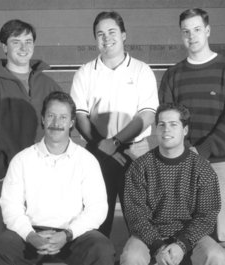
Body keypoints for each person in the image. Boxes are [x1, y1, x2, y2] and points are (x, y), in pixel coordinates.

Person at [0, 91, 115, 265]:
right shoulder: (22, 159)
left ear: (71, 123)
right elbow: (10, 206)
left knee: (102, 250)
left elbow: (97, 208)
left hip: (73, 235)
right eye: (51, 116)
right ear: (43, 119)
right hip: (30, 235)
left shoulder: (86, 161)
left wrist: (67, 234)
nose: (56, 123)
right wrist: (30, 235)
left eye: (63, 117)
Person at [0, 19, 61, 243]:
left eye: (28, 41)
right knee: (1, 242)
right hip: (6, 177)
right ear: (4, 47)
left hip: (45, 177)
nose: (23, 47)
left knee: (44, 241)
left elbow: (63, 128)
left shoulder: (49, 85)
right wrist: (0, 171)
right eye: (15, 41)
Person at [158, 8, 225, 248]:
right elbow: (167, 120)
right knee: (184, 234)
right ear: (180, 35)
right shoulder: (172, 75)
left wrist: (202, 151)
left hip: (219, 163)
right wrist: (186, 154)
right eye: (186, 31)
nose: (192, 36)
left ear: (207, 30)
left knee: (224, 235)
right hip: (182, 164)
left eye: (197, 30)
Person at [70, 11, 159, 237]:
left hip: (134, 152)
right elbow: (80, 116)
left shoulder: (141, 70)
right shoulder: (85, 72)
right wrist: (102, 144)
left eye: (112, 32)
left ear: (124, 35)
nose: (106, 38)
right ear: (95, 40)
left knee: (140, 222)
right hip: (97, 153)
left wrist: (115, 142)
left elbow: (147, 115)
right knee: (97, 222)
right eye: (100, 34)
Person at [121, 103, 225, 265]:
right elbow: (136, 216)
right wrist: (158, 247)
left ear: (185, 130)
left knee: (217, 256)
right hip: (149, 238)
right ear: (156, 130)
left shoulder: (202, 168)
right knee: (131, 257)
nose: (166, 130)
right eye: (161, 125)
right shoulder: (139, 167)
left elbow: (207, 216)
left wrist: (181, 245)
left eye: (173, 124)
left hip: (191, 237)